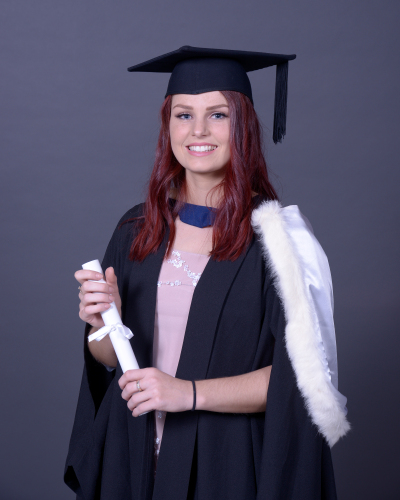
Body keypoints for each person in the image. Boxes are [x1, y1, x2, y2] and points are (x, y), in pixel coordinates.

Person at [64, 46, 350, 500]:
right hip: (133, 451)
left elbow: (301, 381)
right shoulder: (136, 229)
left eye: (218, 115)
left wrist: (188, 394)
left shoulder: (279, 241)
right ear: (168, 126)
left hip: (224, 461)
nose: (198, 130)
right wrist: (103, 325)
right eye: (184, 115)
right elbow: (110, 361)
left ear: (244, 125)